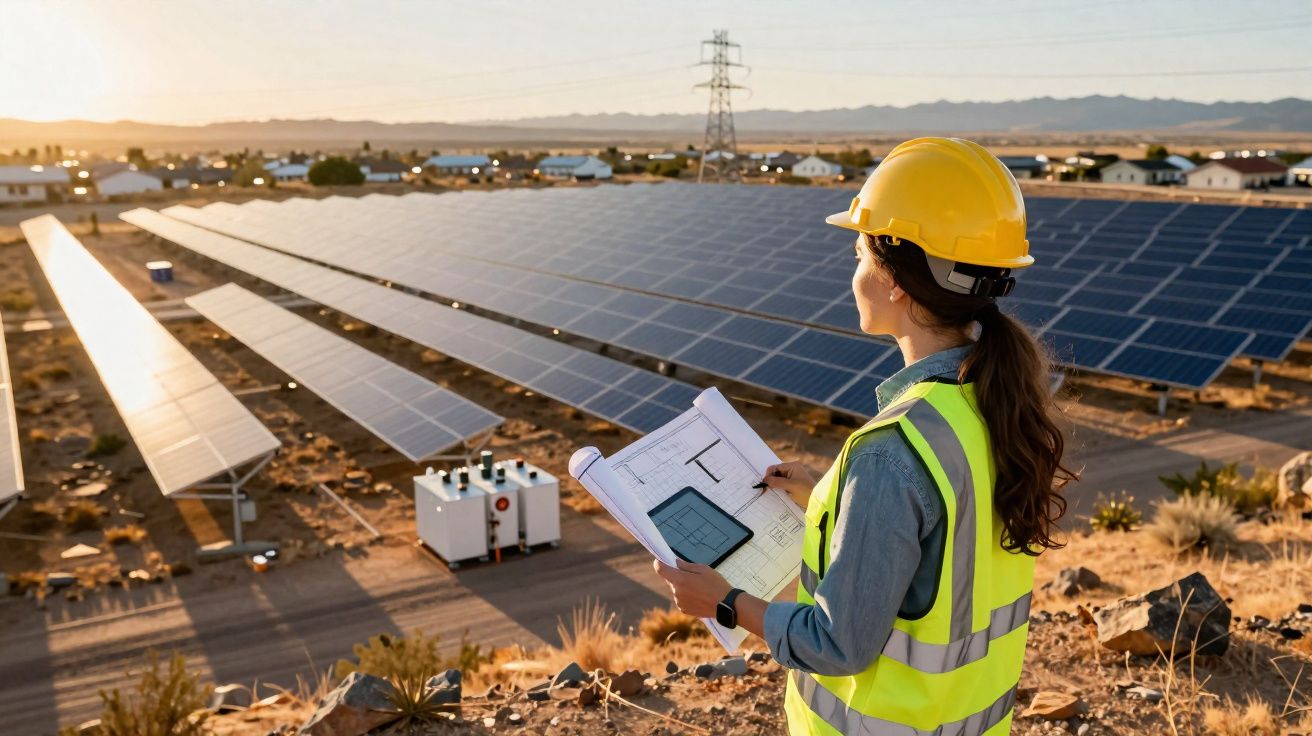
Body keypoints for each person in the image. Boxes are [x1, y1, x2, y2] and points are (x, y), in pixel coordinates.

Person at [654, 137, 1076, 736]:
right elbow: (946, 536)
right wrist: (830, 495)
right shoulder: (994, 403)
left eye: (859, 253)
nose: (854, 272)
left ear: (896, 280)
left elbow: (837, 645)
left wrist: (724, 601)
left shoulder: (893, 451)